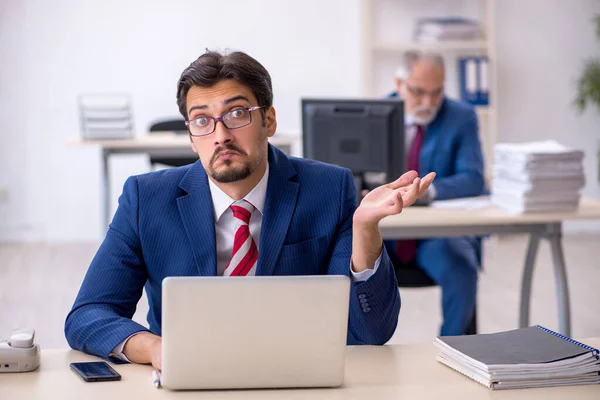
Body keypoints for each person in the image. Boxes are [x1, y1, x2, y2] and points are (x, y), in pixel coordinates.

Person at [65, 50, 435, 370]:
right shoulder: (146, 199)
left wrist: (365, 230)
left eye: (237, 113)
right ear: (192, 137)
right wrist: (157, 349)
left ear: (268, 121)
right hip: (189, 375)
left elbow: (372, 333)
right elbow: (87, 315)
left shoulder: (329, 190)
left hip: (295, 375)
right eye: (202, 120)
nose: (221, 134)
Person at [384, 50, 485, 336]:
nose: (428, 102)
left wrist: (426, 193)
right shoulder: (376, 111)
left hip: (436, 236)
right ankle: (360, 356)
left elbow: (473, 178)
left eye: (436, 92)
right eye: (418, 92)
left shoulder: (461, 117)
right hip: (384, 234)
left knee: (461, 268)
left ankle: (454, 353)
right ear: (399, 83)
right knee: (342, 261)